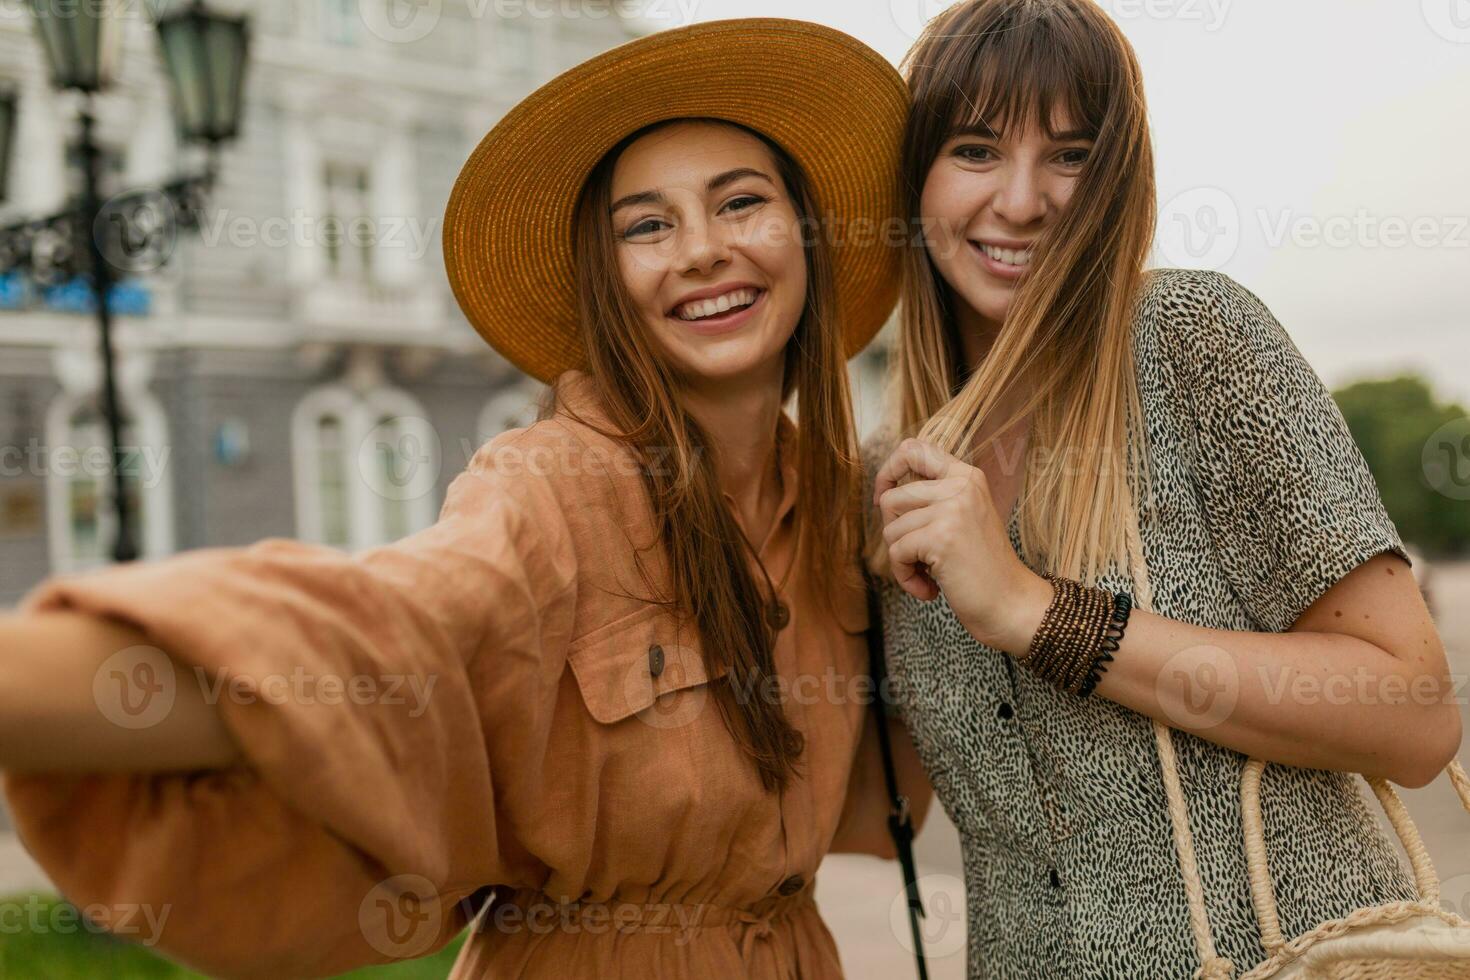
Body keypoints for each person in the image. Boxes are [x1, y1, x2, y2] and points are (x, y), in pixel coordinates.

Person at [0, 19, 931, 979]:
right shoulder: (550, 487)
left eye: (741, 203)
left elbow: (891, 792)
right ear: (607, 282)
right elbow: (388, 634)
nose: (700, 250)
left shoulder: (843, 510)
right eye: (646, 224)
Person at [864, 1, 1462, 977]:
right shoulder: (888, 482)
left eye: (1069, 154)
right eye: (974, 149)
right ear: (915, 177)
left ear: (1116, 182)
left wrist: (1036, 610)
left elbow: (1415, 710)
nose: (1020, 199)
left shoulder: (1194, 339)